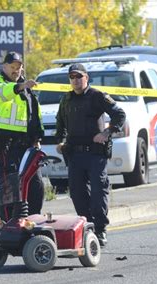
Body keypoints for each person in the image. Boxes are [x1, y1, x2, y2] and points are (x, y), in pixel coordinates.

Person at [55, 63, 126, 247]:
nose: (76, 80)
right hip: (75, 155)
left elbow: (119, 114)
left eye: (79, 76)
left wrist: (107, 133)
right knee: (77, 194)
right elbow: (60, 123)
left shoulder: (97, 96)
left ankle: (101, 230)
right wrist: (60, 142)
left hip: (95, 155)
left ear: (87, 77)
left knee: (98, 192)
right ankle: (87, 227)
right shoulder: (66, 100)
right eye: (72, 77)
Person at [0, 51, 44, 221]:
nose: (15, 71)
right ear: (4, 67)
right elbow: (5, 92)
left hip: (27, 145)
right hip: (6, 144)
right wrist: (21, 86)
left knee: (35, 184)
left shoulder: (26, 89)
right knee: (10, 187)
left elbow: (35, 114)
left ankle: (33, 221)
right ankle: (8, 223)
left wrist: (37, 139)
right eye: (12, 67)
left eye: (18, 67)